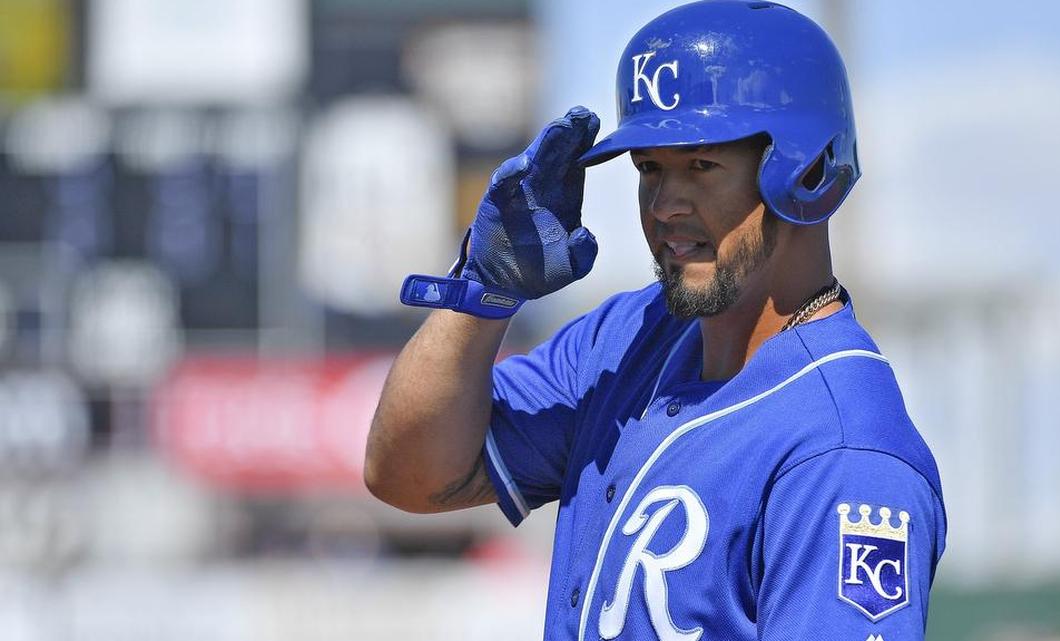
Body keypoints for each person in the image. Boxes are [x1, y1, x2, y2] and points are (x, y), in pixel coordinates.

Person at [364, 1, 946, 639]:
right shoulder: (625, 339)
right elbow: (410, 476)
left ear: (806, 170)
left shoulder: (844, 452)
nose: (666, 204)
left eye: (701, 165)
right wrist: (484, 295)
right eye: (650, 169)